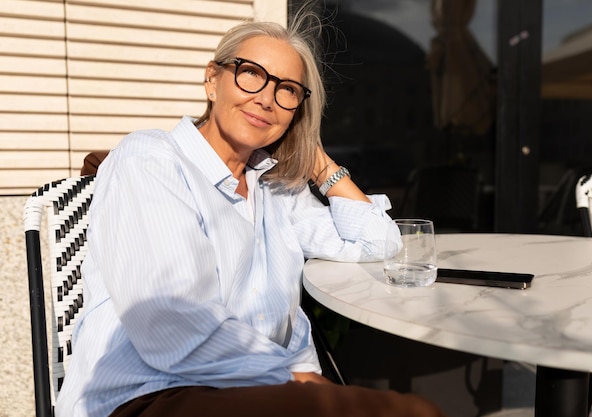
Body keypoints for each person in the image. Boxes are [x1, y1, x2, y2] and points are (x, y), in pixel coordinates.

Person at [56, 10, 447, 417]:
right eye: (251, 74)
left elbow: (376, 242)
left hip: (254, 391)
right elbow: (173, 327)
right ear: (212, 80)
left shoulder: (276, 189)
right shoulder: (151, 160)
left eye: (288, 90)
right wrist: (294, 380)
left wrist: (318, 163)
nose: (266, 98)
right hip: (150, 394)